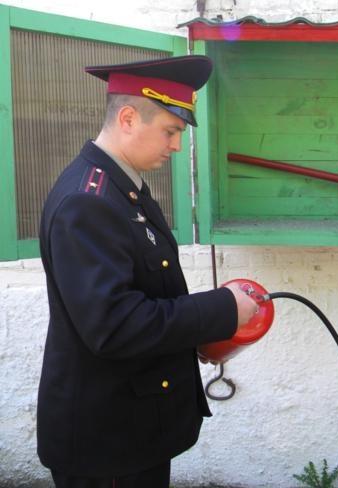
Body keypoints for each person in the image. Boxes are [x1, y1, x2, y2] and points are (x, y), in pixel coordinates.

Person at [37, 55, 259, 488]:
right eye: (170, 131)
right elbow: (114, 326)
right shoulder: (89, 201)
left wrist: (200, 334)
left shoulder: (122, 187)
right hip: (107, 445)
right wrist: (221, 310)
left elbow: (148, 291)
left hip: (130, 429)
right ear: (127, 118)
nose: (176, 146)